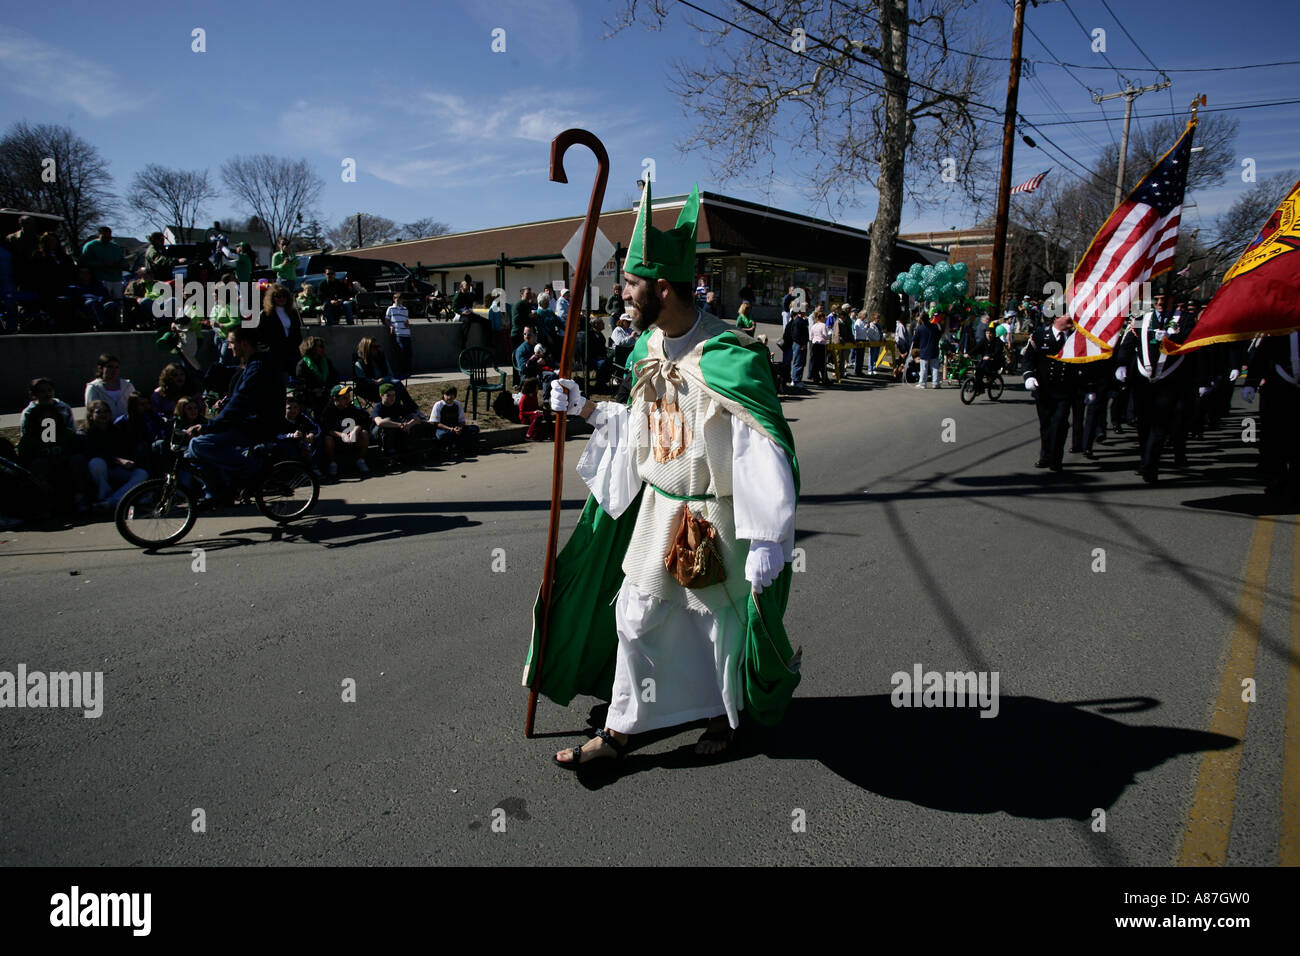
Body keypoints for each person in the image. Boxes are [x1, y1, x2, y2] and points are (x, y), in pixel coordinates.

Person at [532, 181, 800, 769]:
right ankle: (624, 728)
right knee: (636, 615)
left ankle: (724, 718)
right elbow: (642, 429)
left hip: (714, 513)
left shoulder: (729, 354)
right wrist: (583, 408)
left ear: (661, 287)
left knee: (716, 627)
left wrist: (769, 536)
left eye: (629, 284)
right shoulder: (646, 346)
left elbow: (762, 448)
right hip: (659, 508)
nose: (621, 292)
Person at [184, 327, 286, 504]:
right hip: (247, 422)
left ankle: (252, 468)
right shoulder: (251, 365)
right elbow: (235, 399)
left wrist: (210, 426)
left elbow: (241, 402)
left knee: (199, 445)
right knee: (192, 450)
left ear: (244, 344)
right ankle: (221, 489)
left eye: (231, 342)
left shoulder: (258, 367)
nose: (229, 347)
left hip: (259, 424)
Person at [1115, 295, 1193, 483]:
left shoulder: (1184, 319)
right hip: (1144, 378)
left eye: (1164, 299)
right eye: (1156, 299)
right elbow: (1129, 343)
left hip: (1170, 377)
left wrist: (1170, 336)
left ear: (1172, 300)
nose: (1160, 302)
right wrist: (1122, 364)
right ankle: (1145, 458)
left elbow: (1191, 340)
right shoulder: (1143, 319)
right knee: (1143, 423)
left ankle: (1150, 465)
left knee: (1160, 424)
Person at [1241, 329, 1300, 496]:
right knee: (1276, 436)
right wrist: (1250, 383)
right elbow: (1261, 357)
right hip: (1279, 389)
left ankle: (1296, 479)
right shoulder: (1278, 333)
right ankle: (1279, 476)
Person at [1022, 313, 1080, 472]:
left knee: (1060, 424)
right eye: (1067, 315)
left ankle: (1056, 459)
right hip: (1044, 390)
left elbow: (1084, 363)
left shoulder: (1077, 338)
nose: (1071, 318)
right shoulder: (1040, 336)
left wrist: (1087, 387)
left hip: (1065, 390)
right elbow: (1028, 359)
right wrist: (1028, 376)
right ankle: (1046, 455)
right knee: (1046, 424)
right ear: (1057, 318)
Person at [80, 400, 148, 514]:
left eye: (106, 411)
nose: (103, 414)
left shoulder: (116, 430)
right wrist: (117, 460)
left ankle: (112, 501)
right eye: (99, 412)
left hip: (117, 469)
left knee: (142, 473)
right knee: (97, 463)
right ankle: (103, 496)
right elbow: (91, 453)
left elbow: (127, 449)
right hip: (98, 471)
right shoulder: (84, 433)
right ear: (91, 416)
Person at [371, 382, 436, 463]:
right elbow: (379, 423)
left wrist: (408, 425)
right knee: (387, 420)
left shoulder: (397, 406)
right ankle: (388, 449)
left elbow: (417, 418)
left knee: (409, 420)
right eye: (388, 395)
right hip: (377, 434)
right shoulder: (378, 408)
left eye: (393, 395)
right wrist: (399, 425)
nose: (392, 398)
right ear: (381, 395)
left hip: (395, 432)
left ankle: (406, 446)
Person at [318, 385, 372, 477]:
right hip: (337, 440)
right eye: (344, 398)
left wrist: (355, 430)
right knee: (327, 439)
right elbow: (325, 429)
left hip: (352, 439)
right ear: (335, 399)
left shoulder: (351, 408)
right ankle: (332, 463)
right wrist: (342, 435)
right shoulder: (327, 411)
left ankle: (360, 460)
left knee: (364, 433)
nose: (348, 399)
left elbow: (364, 421)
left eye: (348, 397)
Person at [255, 283, 303, 379]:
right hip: (275, 351)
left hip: (291, 349)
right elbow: (260, 333)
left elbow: (297, 331)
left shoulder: (292, 312)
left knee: (295, 374)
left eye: (284, 296)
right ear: (272, 298)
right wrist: (267, 347)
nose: (281, 299)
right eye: (278, 296)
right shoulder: (265, 314)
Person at [275, 395, 323, 476]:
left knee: (318, 441)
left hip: (303, 442)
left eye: (295, 407)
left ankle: (313, 467)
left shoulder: (302, 417)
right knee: (289, 447)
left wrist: (311, 434)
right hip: (288, 442)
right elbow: (277, 435)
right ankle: (298, 471)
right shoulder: (281, 420)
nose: (293, 410)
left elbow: (316, 427)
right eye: (289, 408)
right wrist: (292, 435)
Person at [294, 336, 340, 418]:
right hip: (309, 395)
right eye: (320, 346)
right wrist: (315, 390)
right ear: (311, 348)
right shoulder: (302, 365)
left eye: (323, 346)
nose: (323, 349)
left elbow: (334, 377)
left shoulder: (326, 362)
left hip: (325, 392)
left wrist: (330, 388)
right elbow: (301, 384)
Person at [430, 385, 479, 458]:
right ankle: (452, 447)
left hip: (456, 428)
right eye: (447, 395)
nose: (449, 397)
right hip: (444, 429)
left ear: (455, 396)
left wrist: (460, 428)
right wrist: (451, 429)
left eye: (451, 395)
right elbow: (436, 423)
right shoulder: (438, 405)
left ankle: (461, 447)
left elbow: (462, 421)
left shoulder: (457, 404)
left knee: (475, 429)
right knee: (442, 435)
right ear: (443, 395)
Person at [84, 354, 137, 421]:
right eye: (110, 367)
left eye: (116, 367)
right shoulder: (93, 388)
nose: (114, 370)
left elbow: (135, 406)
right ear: (101, 368)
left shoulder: (127, 385)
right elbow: (91, 410)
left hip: (126, 425)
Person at [80, 226, 126, 300]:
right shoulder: (90, 246)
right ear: (99, 235)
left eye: (109, 237)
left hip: (116, 279)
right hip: (100, 279)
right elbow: (84, 263)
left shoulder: (115, 247)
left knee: (118, 300)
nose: (107, 239)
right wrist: (103, 264)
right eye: (104, 237)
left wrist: (122, 264)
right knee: (104, 300)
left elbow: (122, 260)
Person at [384, 292, 413, 379]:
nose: (400, 300)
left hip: (406, 333)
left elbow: (406, 320)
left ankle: (407, 371)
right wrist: (390, 326)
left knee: (408, 353)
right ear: (394, 298)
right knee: (401, 352)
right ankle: (400, 371)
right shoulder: (390, 308)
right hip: (398, 332)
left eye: (401, 299)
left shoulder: (405, 309)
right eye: (398, 298)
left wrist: (407, 324)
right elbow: (386, 320)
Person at [914, 313, 942, 389]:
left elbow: (915, 339)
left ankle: (922, 383)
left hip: (924, 350)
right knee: (935, 367)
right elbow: (939, 335)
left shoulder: (919, 328)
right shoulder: (934, 326)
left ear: (921, 319)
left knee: (923, 368)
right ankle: (935, 383)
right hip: (934, 349)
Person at [517, 377, 549, 441]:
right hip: (525, 417)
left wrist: (541, 410)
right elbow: (522, 412)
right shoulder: (524, 398)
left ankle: (550, 434)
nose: (538, 388)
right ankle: (529, 435)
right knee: (538, 417)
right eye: (536, 386)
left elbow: (535, 407)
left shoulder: (534, 395)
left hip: (533, 414)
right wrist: (533, 412)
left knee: (547, 414)